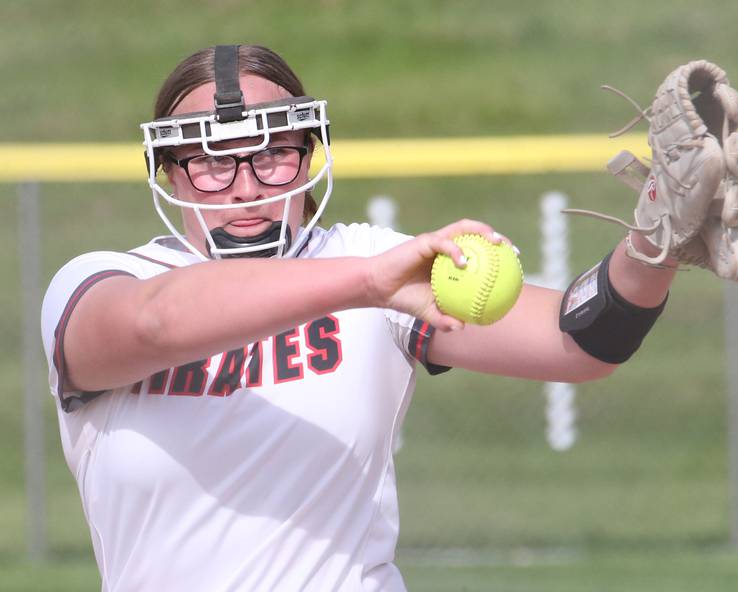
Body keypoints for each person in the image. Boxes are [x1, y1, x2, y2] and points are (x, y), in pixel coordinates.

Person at [42, 44, 700, 592]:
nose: (246, 186)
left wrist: (656, 244)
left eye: (273, 152)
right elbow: (151, 325)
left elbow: (580, 338)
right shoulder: (104, 281)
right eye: (212, 162)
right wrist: (366, 284)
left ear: (309, 153)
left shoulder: (365, 259)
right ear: (171, 172)